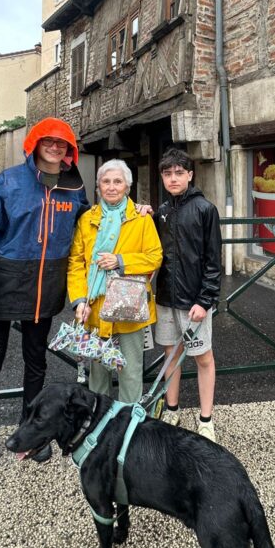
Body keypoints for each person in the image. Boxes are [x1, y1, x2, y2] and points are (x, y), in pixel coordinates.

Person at [0, 117, 87, 487]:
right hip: (3, 287)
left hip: (45, 290)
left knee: (36, 362)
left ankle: (28, 426)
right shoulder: (9, 181)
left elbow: (94, 224)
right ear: (35, 144)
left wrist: (134, 212)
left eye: (61, 143)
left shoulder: (74, 188)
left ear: (69, 150)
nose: (54, 146)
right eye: (47, 141)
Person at [67, 159, 162, 402]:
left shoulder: (142, 219)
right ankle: (100, 425)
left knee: (131, 371)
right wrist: (79, 301)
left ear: (127, 187)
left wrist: (121, 261)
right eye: (106, 182)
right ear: (98, 187)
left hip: (129, 308)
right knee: (98, 374)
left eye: (117, 181)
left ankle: (130, 425)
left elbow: (155, 257)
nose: (111, 187)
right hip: (95, 309)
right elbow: (76, 262)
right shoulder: (87, 219)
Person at [153, 148, 222, 442]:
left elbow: (212, 259)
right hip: (166, 298)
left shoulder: (205, 209)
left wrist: (205, 300)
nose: (173, 178)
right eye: (167, 173)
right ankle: (172, 408)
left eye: (179, 173)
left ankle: (206, 418)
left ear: (190, 175)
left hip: (194, 301)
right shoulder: (162, 212)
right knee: (171, 355)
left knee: (203, 358)